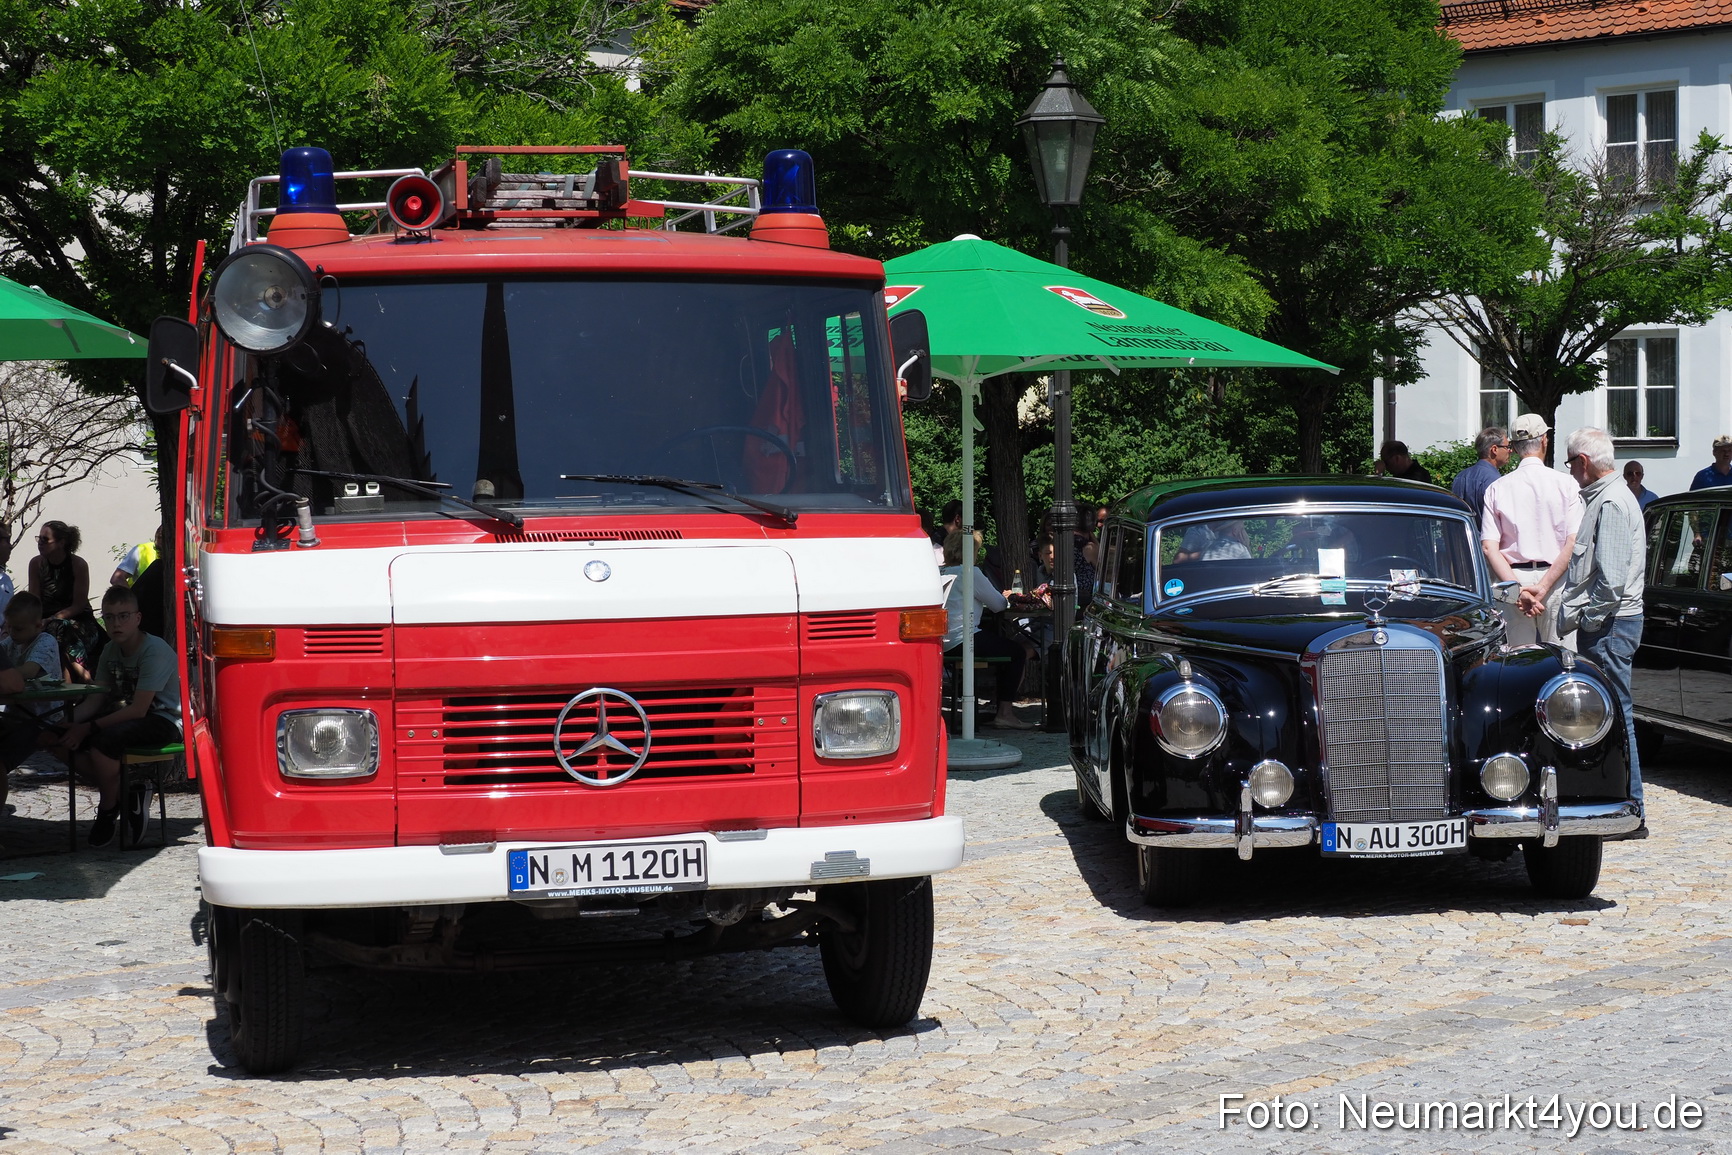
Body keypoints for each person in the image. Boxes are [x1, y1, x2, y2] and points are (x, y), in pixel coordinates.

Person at [1554, 428, 1647, 834]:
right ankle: (1622, 803)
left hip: (1610, 623)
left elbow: (1610, 582)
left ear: (1584, 462)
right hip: (1613, 622)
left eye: (1571, 462)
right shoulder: (1610, 497)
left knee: (1614, 714)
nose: (1571, 471)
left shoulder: (1609, 501)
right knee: (1610, 712)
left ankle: (1632, 808)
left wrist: (1590, 621)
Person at [50, 585, 182, 848]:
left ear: (137, 618)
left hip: (166, 720)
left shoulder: (154, 650)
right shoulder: (111, 649)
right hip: (128, 717)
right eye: (109, 617)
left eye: (123, 616)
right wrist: (68, 723)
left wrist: (86, 728)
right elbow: (96, 698)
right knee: (53, 738)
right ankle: (127, 793)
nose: (116, 623)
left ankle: (109, 808)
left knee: (102, 744)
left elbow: (139, 710)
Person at [1481, 414, 1584, 648]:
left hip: (1512, 578)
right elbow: (1573, 541)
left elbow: (1489, 547)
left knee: (1516, 663)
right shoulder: (1566, 484)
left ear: (1515, 448)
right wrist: (1544, 586)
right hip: (1555, 578)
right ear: (1545, 440)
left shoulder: (1497, 488)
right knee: (1561, 661)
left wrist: (1518, 591)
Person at [940, 530, 1036, 730]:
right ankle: (1005, 713)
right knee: (1016, 652)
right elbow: (999, 605)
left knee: (1000, 646)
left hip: (940, 640)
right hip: (962, 638)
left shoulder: (939, 571)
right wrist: (1008, 595)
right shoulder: (970, 572)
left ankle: (996, 705)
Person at [27, 520, 102, 681]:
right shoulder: (36, 564)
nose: (40, 543)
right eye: (38, 538)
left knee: (58, 629)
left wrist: (52, 619)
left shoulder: (78, 565)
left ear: (61, 542)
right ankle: (80, 683)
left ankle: (82, 680)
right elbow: (34, 602)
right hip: (46, 623)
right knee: (50, 631)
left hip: (80, 623)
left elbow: (79, 605)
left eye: (45, 539)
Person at [1450, 427, 1509, 523]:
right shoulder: (1496, 481)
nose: (1510, 451)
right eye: (1507, 447)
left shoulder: (1460, 476)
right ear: (1494, 449)